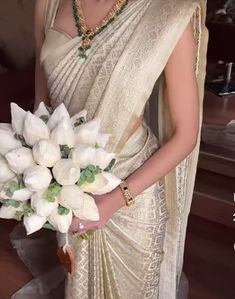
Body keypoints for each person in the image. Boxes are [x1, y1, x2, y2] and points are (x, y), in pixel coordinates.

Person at [11, 0, 208, 298]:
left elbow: (186, 135)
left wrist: (114, 201)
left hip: (133, 195)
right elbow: (44, 107)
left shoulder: (167, 13)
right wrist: (41, 173)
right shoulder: (49, 4)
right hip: (69, 186)